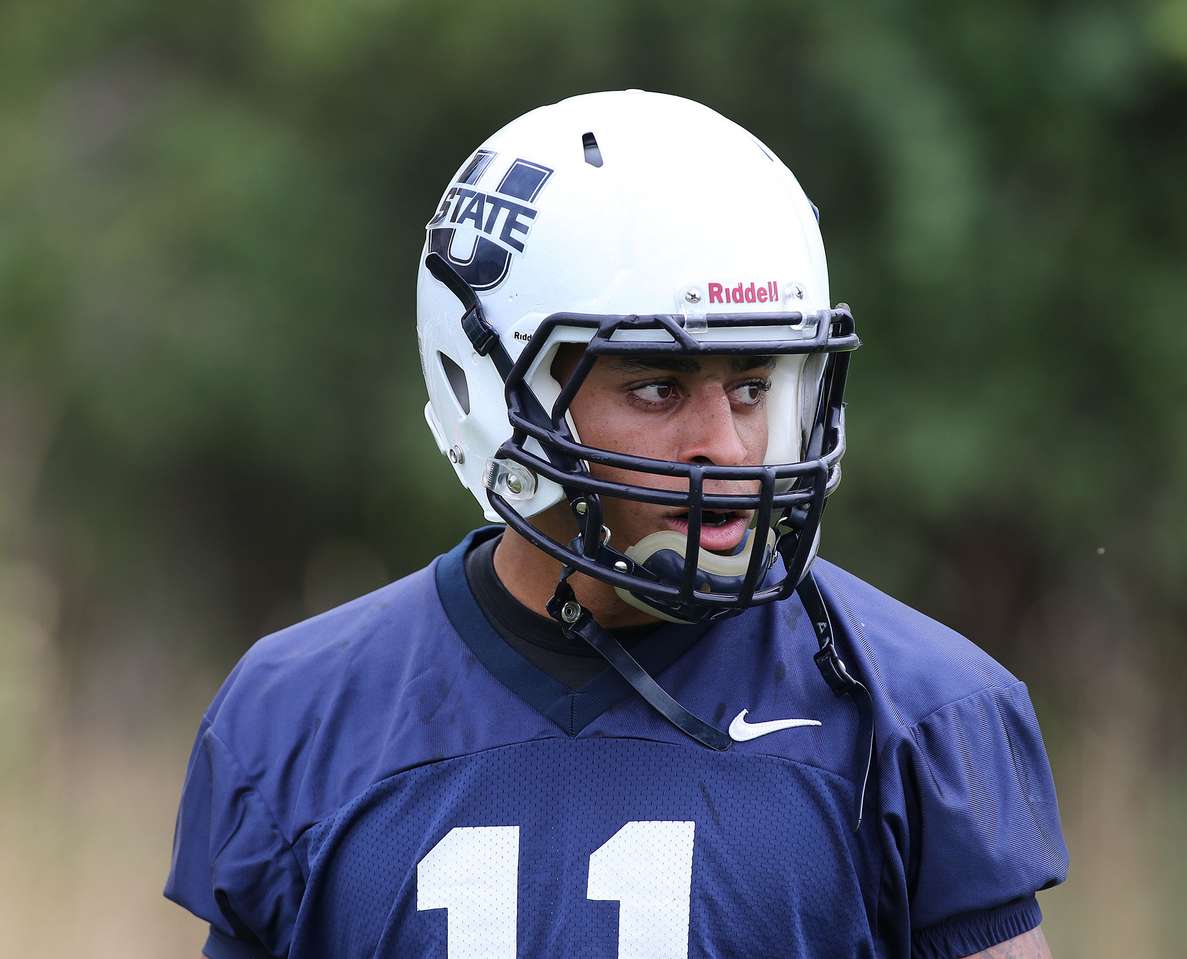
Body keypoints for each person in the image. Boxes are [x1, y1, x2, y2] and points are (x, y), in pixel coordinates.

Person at [165, 91, 1067, 958]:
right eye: (657, 387)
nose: (726, 446)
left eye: (753, 386)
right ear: (497, 393)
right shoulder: (298, 717)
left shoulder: (922, 713)